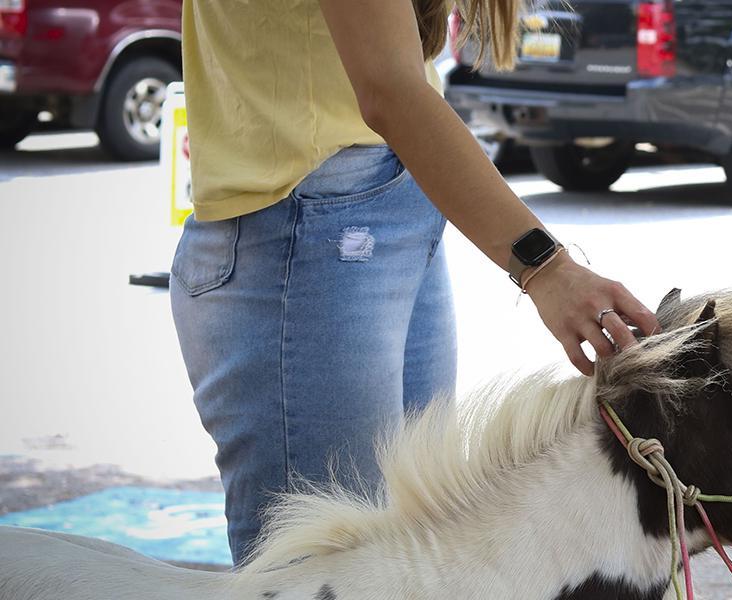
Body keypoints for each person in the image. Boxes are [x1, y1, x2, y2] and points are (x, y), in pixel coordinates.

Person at [170, 0, 660, 564]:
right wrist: (547, 268)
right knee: (333, 572)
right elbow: (389, 89)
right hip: (306, 231)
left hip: (385, 206)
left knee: (412, 556)